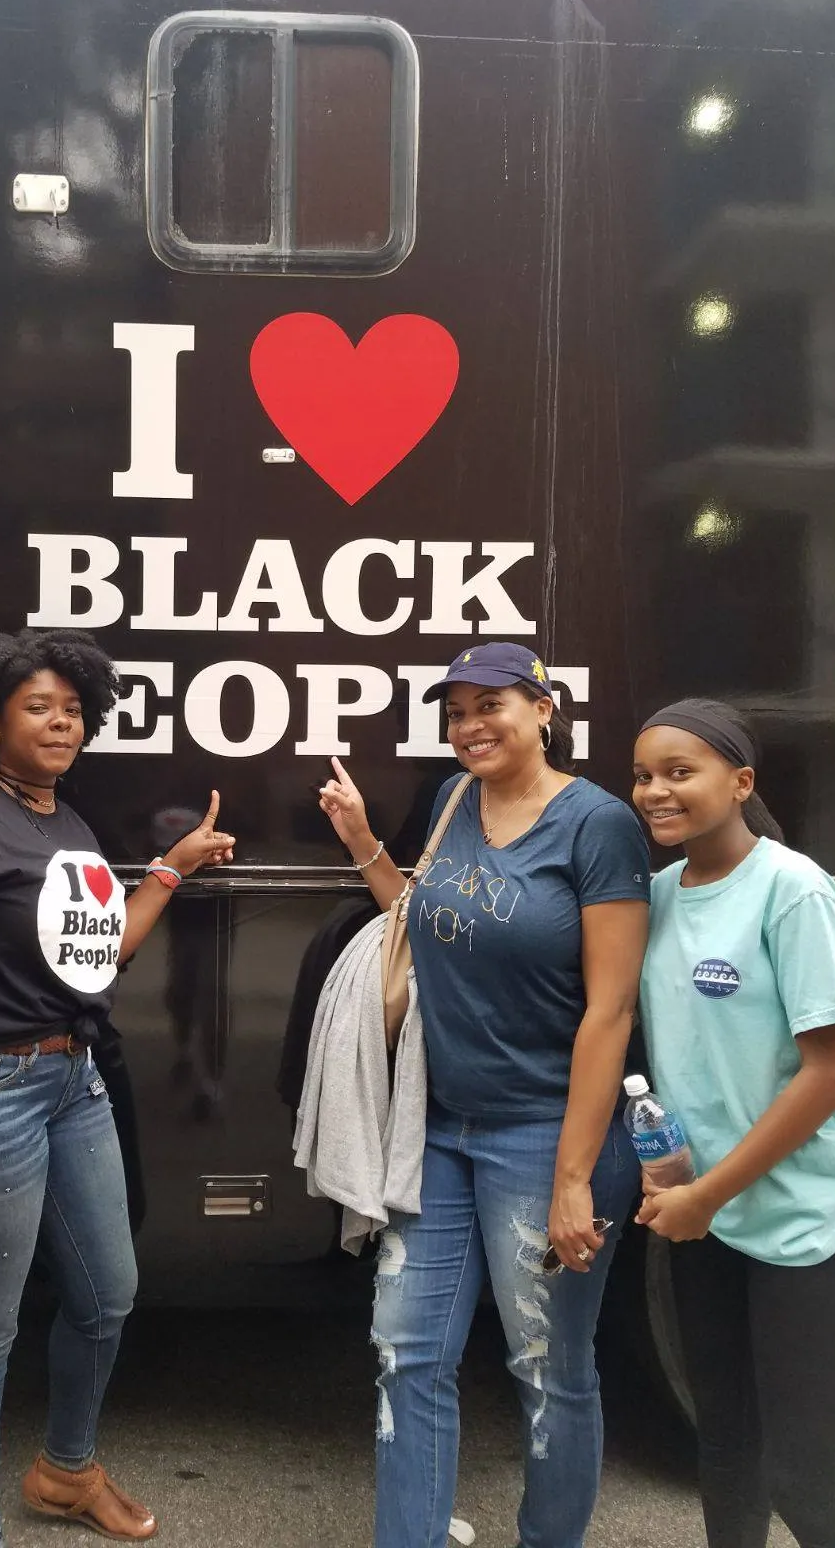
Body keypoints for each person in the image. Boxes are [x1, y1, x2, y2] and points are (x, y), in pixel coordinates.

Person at [0, 627, 234, 1548]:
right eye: (39, 707)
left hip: (73, 1080)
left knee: (108, 1294)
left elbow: (98, 954)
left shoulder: (62, 819)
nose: (62, 723)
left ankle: (66, 1472)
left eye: (74, 709)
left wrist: (170, 869)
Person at [318, 642, 649, 1548]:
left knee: (547, 1366)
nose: (470, 726)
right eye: (456, 711)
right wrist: (362, 843)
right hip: (442, 1129)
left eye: (489, 705)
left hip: (549, 1134)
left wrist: (574, 1179)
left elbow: (610, 1011)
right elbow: (421, 926)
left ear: (543, 709)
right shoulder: (453, 800)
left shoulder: (598, 824)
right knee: (405, 1352)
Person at [632, 698, 835, 1548]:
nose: (656, 792)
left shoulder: (793, 890)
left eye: (681, 773)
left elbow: (829, 1071)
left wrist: (709, 1193)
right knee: (725, 1443)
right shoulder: (657, 894)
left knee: (806, 1465)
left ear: (740, 781)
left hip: (797, 1224)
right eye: (644, 776)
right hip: (704, 1220)